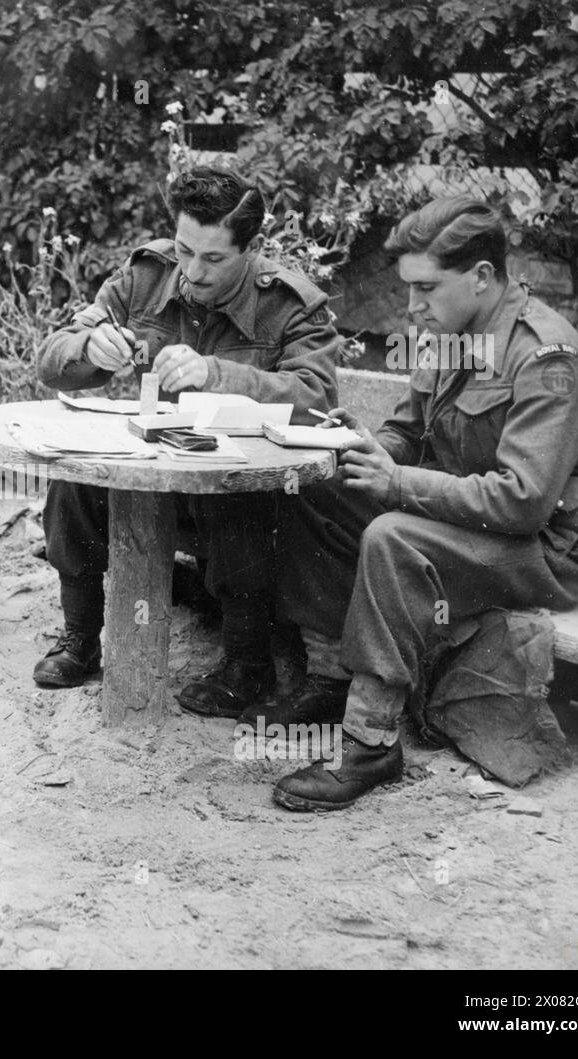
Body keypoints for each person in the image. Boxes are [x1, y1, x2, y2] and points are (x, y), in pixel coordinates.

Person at [270, 195, 578, 811]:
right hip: (466, 520)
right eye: (409, 290)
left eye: (427, 289)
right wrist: (360, 449)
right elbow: (408, 434)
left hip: (548, 550)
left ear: (482, 277)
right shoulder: (450, 333)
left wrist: (398, 484)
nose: (411, 308)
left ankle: (370, 739)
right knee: (317, 487)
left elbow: (522, 502)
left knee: (391, 536)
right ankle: (334, 677)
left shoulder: (549, 357)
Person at [34, 167, 340, 710]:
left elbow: (316, 398)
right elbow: (52, 362)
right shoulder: (146, 275)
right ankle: (80, 638)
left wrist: (217, 375)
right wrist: (89, 351)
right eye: (185, 250)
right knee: (73, 481)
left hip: (237, 492)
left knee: (237, 491)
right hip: (150, 477)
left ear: (254, 247)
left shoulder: (292, 305)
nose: (192, 272)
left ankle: (246, 665)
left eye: (214, 259)